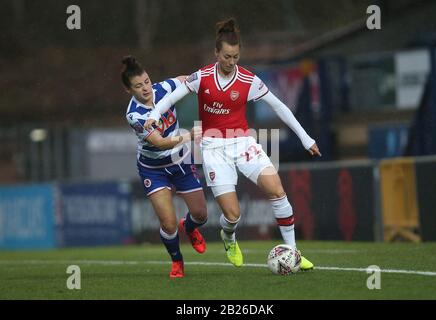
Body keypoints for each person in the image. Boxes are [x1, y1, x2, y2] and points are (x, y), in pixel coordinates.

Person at [143, 18, 321, 270]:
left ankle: (293, 252)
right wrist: (152, 116)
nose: (231, 61)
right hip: (214, 149)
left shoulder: (248, 80)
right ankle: (229, 237)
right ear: (217, 53)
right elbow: (171, 97)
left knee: (277, 190)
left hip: (243, 143)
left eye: (236, 56)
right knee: (232, 215)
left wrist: (306, 138)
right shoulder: (202, 77)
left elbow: (279, 106)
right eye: (226, 56)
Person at [122, 55, 208, 278]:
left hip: (180, 161)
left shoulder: (163, 88)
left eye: (147, 82)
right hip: (154, 168)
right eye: (138, 86)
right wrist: (188, 136)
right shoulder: (135, 114)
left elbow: (185, 80)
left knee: (201, 214)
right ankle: (177, 261)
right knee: (168, 224)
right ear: (128, 90)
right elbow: (159, 143)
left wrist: (204, 81)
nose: (145, 88)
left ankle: (189, 227)